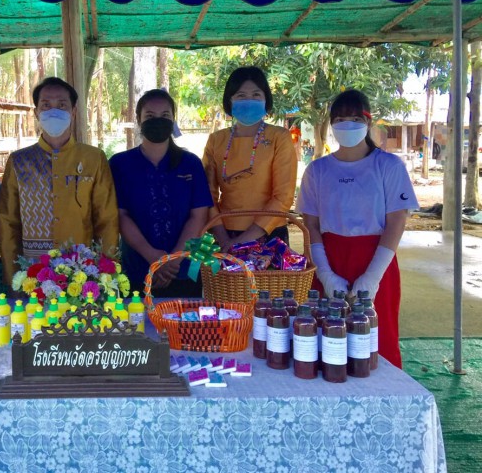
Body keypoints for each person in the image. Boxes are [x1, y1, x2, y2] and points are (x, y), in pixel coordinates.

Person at [296, 89, 418, 368]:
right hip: (329, 258)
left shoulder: (388, 165)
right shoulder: (317, 170)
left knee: (377, 336)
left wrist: (372, 277)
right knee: (328, 336)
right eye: (339, 119)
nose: (347, 124)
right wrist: (326, 275)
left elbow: (396, 221)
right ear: (331, 124)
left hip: (377, 258)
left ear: (368, 121)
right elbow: (311, 224)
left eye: (354, 118)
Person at [0, 77, 119, 289]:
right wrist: (13, 278)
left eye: (62, 105)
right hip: (32, 274)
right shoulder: (19, 161)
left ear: (74, 111)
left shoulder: (93, 158)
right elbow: (8, 223)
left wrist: (105, 276)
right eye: (46, 105)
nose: (54, 111)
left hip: (82, 274)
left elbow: (107, 220)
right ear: (36, 112)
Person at [109, 89, 212, 297]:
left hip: (184, 270)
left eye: (165, 115)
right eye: (149, 116)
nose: (157, 120)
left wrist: (173, 260)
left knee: (187, 318)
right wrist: (152, 257)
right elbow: (120, 215)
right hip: (136, 270)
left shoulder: (190, 163)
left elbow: (199, 215)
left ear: (173, 119)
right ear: (138, 119)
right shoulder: (120, 164)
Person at [201, 66, 297, 251]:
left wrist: (243, 239)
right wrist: (223, 238)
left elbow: (283, 196)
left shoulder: (279, 137)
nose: (249, 101)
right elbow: (206, 194)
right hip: (223, 234)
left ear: (266, 100)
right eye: (241, 95)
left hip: (269, 234)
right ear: (230, 100)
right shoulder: (216, 140)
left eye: (256, 95)